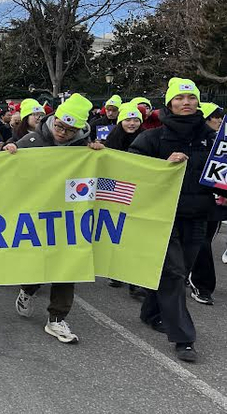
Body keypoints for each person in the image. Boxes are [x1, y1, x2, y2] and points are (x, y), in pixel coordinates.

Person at [130, 78, 213, 363]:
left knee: (181, 270)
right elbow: (131, 169)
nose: (185, 102)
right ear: (169, 103)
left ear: (198, 102)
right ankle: (184, 338)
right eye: (179, 98)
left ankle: (151, 312)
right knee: (175, 274)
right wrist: (161, 167)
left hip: (198, 217)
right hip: (162, 218)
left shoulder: (213, 139)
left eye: (191, 98)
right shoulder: (152, 137)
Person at [11, 93, 103, 344]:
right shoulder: (31, 140)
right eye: (60, 126)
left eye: (70, 130)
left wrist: (99, 154)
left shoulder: (83, 147)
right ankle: (28, 288)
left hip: (70, 215)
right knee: (38, 260)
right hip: (36, 212)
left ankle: (57, 318)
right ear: (54, 120)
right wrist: (9, 151)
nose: (63, 133)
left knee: (68, 263)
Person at [102, 102, 148, 300]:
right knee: (117, 234)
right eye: (128, 119)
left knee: (135, 237)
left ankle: (134, 282)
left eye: (136, 119)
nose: (132, 123)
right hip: (116, 194)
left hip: (139, 193)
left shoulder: (148, 138)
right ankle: (115, 271)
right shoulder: (111, 140)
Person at [189, 102, 226, 306]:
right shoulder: (189, 138)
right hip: (190, 199)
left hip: (214, 202)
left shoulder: (220, 142)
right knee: (198, 242)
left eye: (220, 116)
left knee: (204, 242)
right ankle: (200, 285)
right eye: (215, 116)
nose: (219, 120)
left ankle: (199, 282)